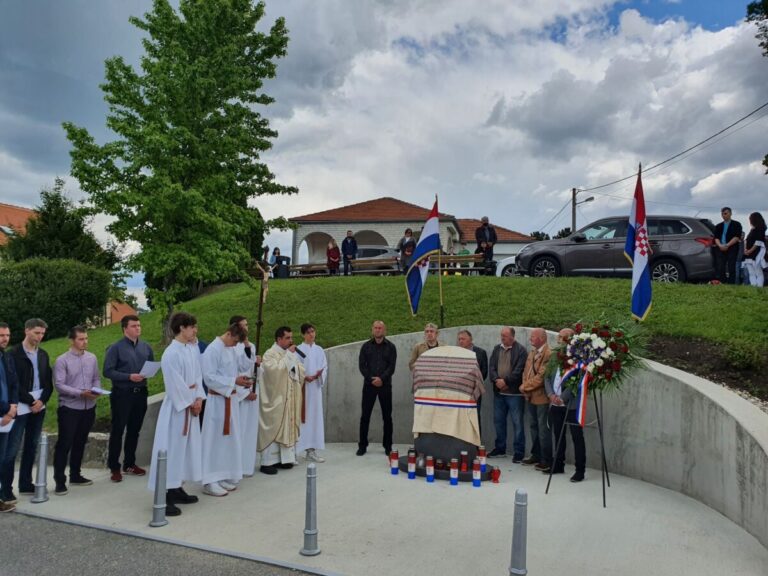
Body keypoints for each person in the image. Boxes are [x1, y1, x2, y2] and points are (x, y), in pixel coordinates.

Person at [148, 312, 205, 515]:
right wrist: (190, 402)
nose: (195, 331)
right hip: (177, 409)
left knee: (185, 450)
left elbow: (198, 374)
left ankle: (177, 486)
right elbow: (174, 383)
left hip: (190, 405)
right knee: (172, 448)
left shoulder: (190, 349)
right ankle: (164, 493)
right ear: (181, 328)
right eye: (192, 327)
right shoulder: (171, 353)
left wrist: (198, 397)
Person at [200, 322, 250, 495]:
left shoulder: (229, 348)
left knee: (228, 440)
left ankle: (222, 475)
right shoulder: (212, 350)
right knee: (214, 440)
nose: (235, 345)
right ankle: (209, 480)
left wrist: (239, 379)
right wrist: (233, 381)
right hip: (217, 402)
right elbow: (208, 377)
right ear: (228, 334)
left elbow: (238, 368)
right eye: (235, 341)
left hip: (231, 399)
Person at [104, 314, 155, 482]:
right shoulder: (115, 348)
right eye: (134, 326)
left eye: (139, 325)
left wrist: (148, 373)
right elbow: (108, 371)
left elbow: (151, 365)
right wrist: (128, 377)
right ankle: (114, 467)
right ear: (125, 328)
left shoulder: (146, 347)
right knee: (118, 430)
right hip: (122, 394)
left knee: (135, 430)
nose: (138, 328)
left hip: (140, 393)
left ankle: (129, 464)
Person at [52, 326, 102, 496]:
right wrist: (80, 393)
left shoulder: (92, 358)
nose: (85, 342)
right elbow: (59, 385)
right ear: (72, 340)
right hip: (69, 408)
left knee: (81, 441)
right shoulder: (62, 360)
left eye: (86, 338)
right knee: (65, 443)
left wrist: (96, 390)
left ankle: (75, 475)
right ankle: (59, 480)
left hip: (88, 407)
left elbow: (96, 377)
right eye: (81, 339)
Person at [7, 319, 53, 496]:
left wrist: (41, 401)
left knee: (31, 446)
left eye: (42, 333)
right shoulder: (13, 354)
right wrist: (30, 401)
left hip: (38, 407)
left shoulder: (43, 354)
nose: (40, 337)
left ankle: (26, 484)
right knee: (12, 448)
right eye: (36, 333)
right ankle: (7, 489)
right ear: (27, 331)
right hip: (20, 406)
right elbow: (13, 383)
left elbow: (48, 382)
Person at [257, 326, 305, 474]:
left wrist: (294, 366)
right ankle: (267, 463)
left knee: (287, 426)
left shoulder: (288, 354)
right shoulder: (270, 354)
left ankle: (284, 459)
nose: (291, 340)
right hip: (276, 400)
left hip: (289, 398)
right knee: (274, 426)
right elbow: (273, 374)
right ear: (279, 339)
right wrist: (289, 358)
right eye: (287, 338)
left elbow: (299, 370)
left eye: (291, 337)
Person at [545, 328, 586, 482]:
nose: (559, 340)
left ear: (571, 340)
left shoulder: (577, 358)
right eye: (559, 337)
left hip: (571, 404)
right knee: (558, 435)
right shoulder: (555, 355)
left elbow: (577, 381)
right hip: (555, 402)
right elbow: (547, 377)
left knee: (577, 437)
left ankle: (580, 470)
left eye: (563, 337)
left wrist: (562, 397)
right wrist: (550, 395)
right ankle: (558, 464)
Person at [357, 320, 397, 456]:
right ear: (372, 330)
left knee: (387, 417)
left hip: (385, 386)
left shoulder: (391, 347)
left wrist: (382, 379)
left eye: (380, 328)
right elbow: (362, 366)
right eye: (375, 328)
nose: (378, 330)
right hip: (369, 386)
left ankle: (388, 446)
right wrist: (371, 379)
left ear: (384, 330)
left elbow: (392, 367)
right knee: (365, 416)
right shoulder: (366, 347)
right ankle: (362, 445)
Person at [487, 327, 528, 461]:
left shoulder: (521, 350)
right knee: (499, 421)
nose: (502, 338)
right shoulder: (496, 349)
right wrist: (496, 380)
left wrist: (505, 382)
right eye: (501, 335)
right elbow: (491, 367)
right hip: (499, 393)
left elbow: (519, 370)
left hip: (514, 394)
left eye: (505, 336)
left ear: (512, 337)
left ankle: (519, 452)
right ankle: (500, 448)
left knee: (517, 424)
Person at [230, 315, 260, 478]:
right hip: (238, 395)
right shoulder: (232, 347)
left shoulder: (250, 346)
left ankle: (246, 466)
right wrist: (244, 393)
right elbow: (234, 372)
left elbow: (250, 370)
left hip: (251, 392)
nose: (246, 328)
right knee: (238, 432)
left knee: (249, 432)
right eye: (243, 325)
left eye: (247, 325)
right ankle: (235, 468)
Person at [520, 328, 553, 473]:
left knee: (543, 429)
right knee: (533, 427)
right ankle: (536, 454)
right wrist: (525, 388)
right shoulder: (532, 352)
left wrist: (524, 387)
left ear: (541, 338)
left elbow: (541, 377)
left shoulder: (548, 354)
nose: (530, 339)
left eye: (533, 336)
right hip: (530, 396)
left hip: (541, 398)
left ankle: (546, 459)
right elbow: (525, 372)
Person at [296, 323, 328, 463]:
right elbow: (294, 368)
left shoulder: (319, 350)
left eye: (313, 331)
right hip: (302, 389)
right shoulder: (298, 350)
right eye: (308, 332)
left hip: (315, 389)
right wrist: (304, 377)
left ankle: (311, 451)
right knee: (301, 418)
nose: (311, 334)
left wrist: (318, 375)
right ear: (303, 334)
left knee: (314, 418)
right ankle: (296, 450)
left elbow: (324, 366)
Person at [0, 322, 19, 511]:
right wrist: (6, 408)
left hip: (7, 415)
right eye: (1, 335)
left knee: (2, 458)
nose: (5, 339)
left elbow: (14, 382)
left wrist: (13, 406)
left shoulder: (6, 357)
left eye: (7, 335)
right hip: (3, 413)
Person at [457, 329, 488, 434]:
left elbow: (484, 372)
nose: (461, 341)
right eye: (459, 339)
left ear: (470, 339)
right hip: (460, 391)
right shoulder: (456, 353)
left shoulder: (480, 352)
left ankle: (476, 443)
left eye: (463, 339)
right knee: (460, 417)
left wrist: (473, 383)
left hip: (475, 390)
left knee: (475, 416)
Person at [713, 207, 743, 284]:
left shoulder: (736, 224)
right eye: (722, 214)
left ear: (730, 213)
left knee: (731, 267)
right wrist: (720, 245)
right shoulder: (718, 226)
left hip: (732, 248)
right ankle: (722, 282)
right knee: (720, 267)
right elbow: (716, 237)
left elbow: (737, 237)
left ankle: (731, 284)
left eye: (725, 213)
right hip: (720, 248)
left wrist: (727, 245)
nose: (723, 215)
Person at [743, 211, 767, 288]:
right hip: (749, 253)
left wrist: (750, 250)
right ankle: (754, 287)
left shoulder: (761, 229)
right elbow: (746, 240)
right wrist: (746, 249)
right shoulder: (752, 229)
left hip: (756, 253)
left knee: (758, 272)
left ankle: (759, 287)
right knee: (751, 272)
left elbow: (758, 242)